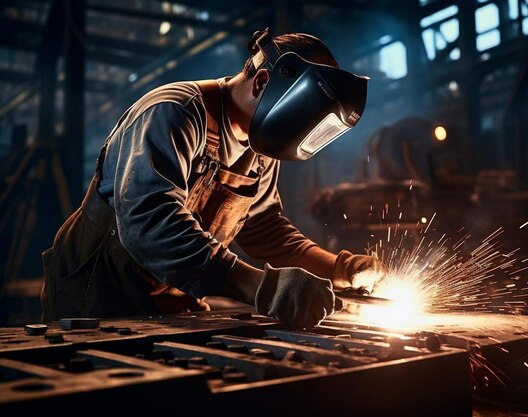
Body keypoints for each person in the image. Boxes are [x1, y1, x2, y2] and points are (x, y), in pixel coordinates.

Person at [40, 29, 385, 328]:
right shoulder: (174, 113)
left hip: (170, 301)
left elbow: (263, 229)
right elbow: (150, 224)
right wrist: (259, 287)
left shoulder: (260, 144)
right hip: (96, 298)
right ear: (262, 81)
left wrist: (340, 269)